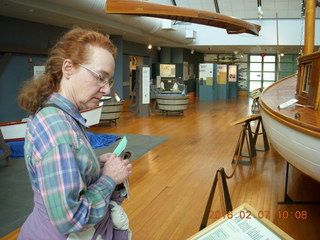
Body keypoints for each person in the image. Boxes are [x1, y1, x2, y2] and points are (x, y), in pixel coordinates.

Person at [17, 27, 132, 240]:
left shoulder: (61, 116)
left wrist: (95, 165)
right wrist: (109, 178)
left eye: (109, 80)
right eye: (100, 77)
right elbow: (70, 218)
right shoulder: (56, 126)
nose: (106, 90)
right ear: (68, 68)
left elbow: (63, 168)